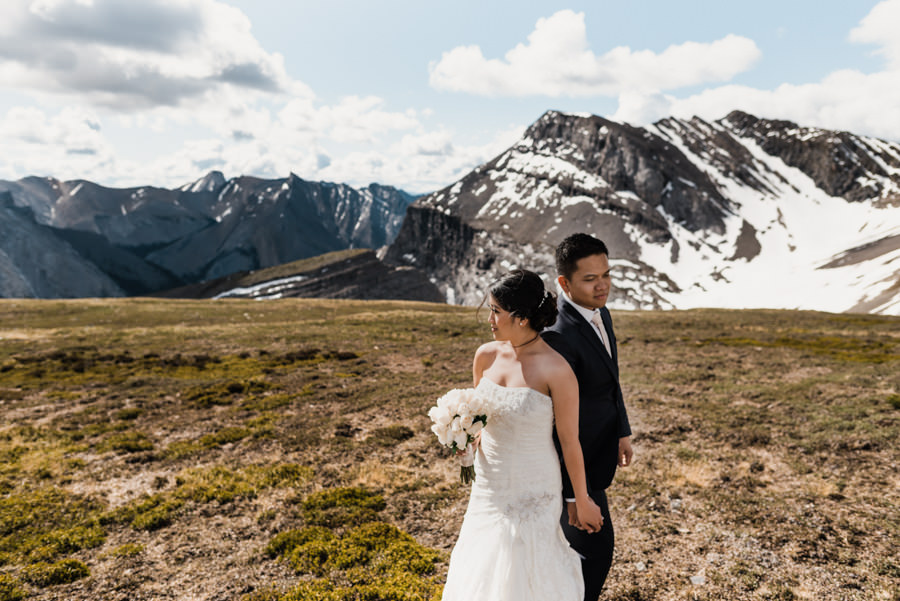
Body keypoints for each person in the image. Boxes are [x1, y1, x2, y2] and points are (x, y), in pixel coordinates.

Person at [441, 269, 602, 601]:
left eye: (497, 311)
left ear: (523, 318)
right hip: (488, 484)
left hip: (533, 488)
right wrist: (465, 441)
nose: (490, 319)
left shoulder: (556, 370)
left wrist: (581, 499)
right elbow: (482, 420)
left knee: (525, 568)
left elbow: (571, 442)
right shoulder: (485, 356)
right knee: (482, 561)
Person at [541, 233, 634, 601]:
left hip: (599, 451)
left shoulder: (601, 312)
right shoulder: (557, 335)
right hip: (573, 470)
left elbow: (610, 380)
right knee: (590, 558)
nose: (603, 285)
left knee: (589, 559)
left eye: (606, 274)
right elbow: (554, 424)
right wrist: (571, 497)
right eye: (590, 278)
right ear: (564, 283)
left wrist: (621, 431)